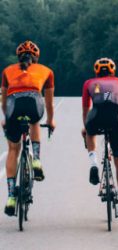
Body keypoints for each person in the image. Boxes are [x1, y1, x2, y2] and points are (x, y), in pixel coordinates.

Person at [1, 40, 56, 216]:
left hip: (13, 106)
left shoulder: (7, 71)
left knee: (12, 150)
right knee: (34, 121)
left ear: (18, 57)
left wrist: (6, 119)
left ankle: (10, 197)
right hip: (33, 103)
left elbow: (3, 101)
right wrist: (51, 120)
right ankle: (36, 160)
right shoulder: (46, 71)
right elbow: (49, 103)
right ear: (37, 57)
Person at [82, 58, 118, 217]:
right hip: (116, 119)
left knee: (90, 132)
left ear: (97, 71)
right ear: (113, 71)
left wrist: (86, 127)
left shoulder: (89, 83)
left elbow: (86, 108)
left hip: (96, 115)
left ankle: (94, 163)